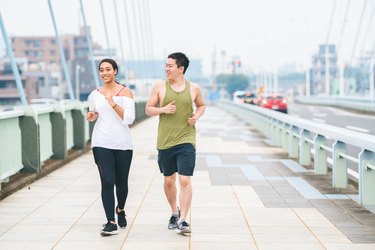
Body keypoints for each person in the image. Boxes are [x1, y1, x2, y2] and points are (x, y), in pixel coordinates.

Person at [145, 52, 206, 234]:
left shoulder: (194, 88)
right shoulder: (159, 87)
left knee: (185, 180)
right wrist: (163, 109)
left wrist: (196, 116)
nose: (166, 69)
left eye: (170, 66)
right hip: (165, 141)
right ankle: (174, 212)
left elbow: (201, 105)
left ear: (181, 69)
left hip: (186, 139)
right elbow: (148, 109)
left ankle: (183, 220)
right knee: (169, 181)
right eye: (166, 65)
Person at [86, 58, 135, 236]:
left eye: (108, 69)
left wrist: (113, 102)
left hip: (122, 144)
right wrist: (91, 116)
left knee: (122, 184)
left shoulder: (125, 93)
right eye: (101, 70)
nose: (104, 72)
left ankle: (120, 209)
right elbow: (94, 113)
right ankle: (110, 222)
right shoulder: (95, 94)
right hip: (101, 143)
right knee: (107, 181)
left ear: (115, 71)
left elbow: (129, 119)